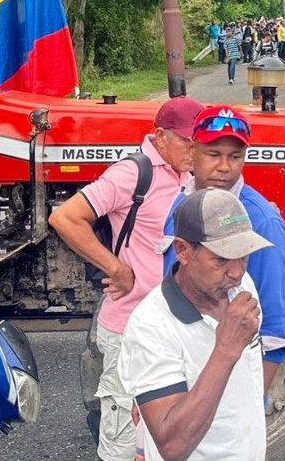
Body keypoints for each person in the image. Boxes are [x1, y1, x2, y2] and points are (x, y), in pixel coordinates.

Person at [48, 96, 202, 461]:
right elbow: (65, 218)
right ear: (160, 136)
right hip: (129, 328)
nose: (193, 150)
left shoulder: (185, 174)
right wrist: (116, 268)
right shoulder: (133, 173)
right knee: (123, 439)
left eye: (198, 142)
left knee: (168, 436)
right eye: (185, 141)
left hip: (172, 328)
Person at [120, 188, 269, 461]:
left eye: (244, 255)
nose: (237, 272)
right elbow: (172, 446)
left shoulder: (240, 287)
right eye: (221, 259)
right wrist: (225, 349)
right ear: (183, 251)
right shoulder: (151, 326)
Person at [162, 106, 285, 391]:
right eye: (213, 154)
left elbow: (276, 331)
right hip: (177, 365)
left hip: (232, 378)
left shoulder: (261, 223)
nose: (225, 167)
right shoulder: (180, 205)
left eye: (235, 157)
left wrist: (250, 407)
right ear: (191, 151)